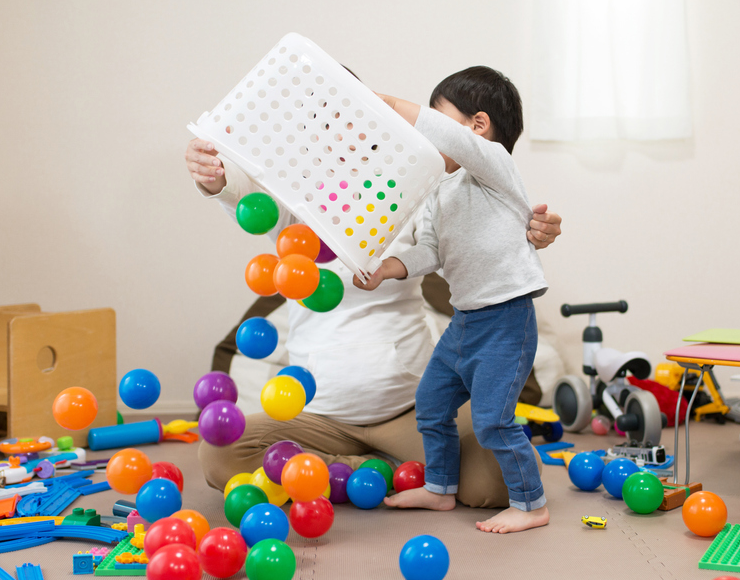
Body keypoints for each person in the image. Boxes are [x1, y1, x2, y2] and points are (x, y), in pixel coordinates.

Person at [184, 94, 561, 509]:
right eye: (323, 125)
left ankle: (366, 471)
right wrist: (213, 177)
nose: (340, 135)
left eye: (351, 119)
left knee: (493, 484)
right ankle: (372, 469)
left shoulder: (414, 186)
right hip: (318, 416)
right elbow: (242, 195)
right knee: (217, 454)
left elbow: (479, 216)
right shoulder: (294, 201)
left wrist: (532, 226)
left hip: (409, 411)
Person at [357, 67, 549, 534]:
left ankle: (532, 505)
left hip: (507, 320)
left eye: (439, 123)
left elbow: (447, 137)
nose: (428, 141)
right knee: (432, 402)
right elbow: (430, 252)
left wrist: (380, 101)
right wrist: (388, 268)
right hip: (465, 320)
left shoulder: (495, 168)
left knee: (491, 421)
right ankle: (440, 488)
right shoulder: (439, 190)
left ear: (478, 126)